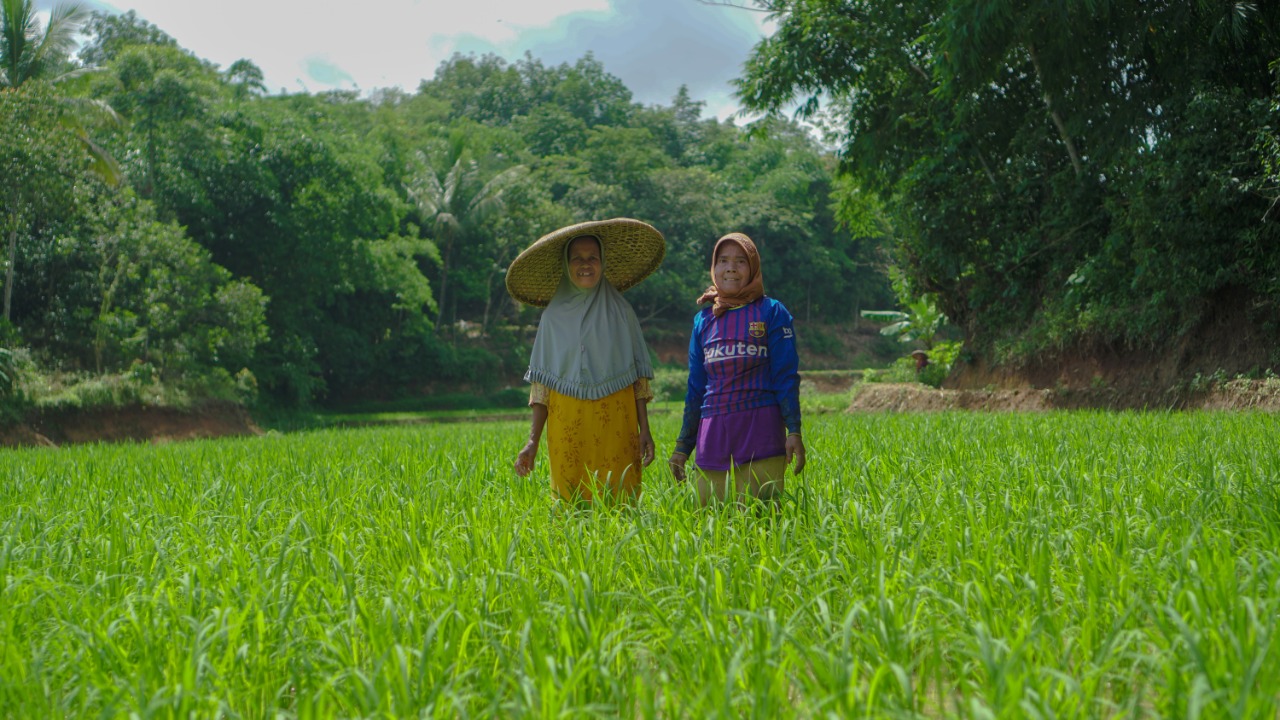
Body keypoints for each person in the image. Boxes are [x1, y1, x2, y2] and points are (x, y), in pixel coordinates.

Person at [506, 218, 666, 505]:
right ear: (566, 266)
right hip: (567, 421)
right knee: (571, 502)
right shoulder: (551, 318)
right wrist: (532, 441)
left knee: (619, 500)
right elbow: (541, 387)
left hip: (616, 421)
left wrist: (645, 430)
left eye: (593, 257)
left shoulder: (622, 312)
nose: (585, 264)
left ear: (602, 263)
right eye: (577, 258)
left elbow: (638, 380)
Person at [668, 232, 806, 506]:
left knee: (762, 517)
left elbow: (785, 376)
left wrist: (794, 430)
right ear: (714, 267)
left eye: (740, 261)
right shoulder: (703, 320)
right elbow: (696, 388)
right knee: (709, 517)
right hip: (712, 433)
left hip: (761, 429)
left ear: (752, 267)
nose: (730, 268)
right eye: (723, 261)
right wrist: (683, 446)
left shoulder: (771, 312)